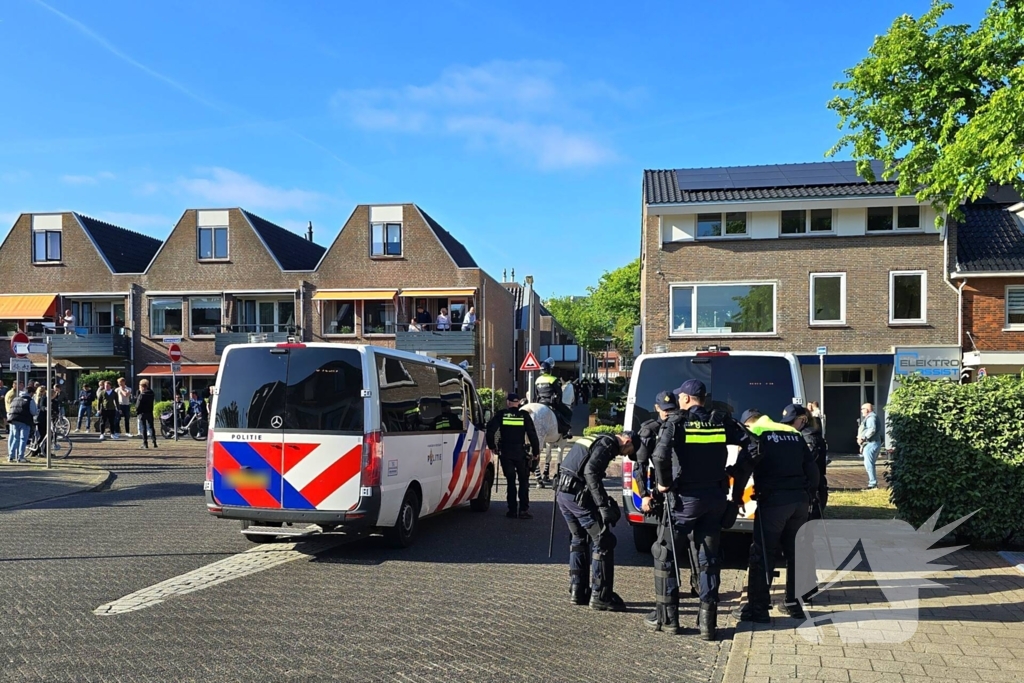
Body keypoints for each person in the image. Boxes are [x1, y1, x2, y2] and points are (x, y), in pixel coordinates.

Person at [646, 379, 752, 640]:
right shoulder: (721, 420)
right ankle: (708, 625)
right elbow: (754, 446)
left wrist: (663, 485)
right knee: (709, 561)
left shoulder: (677, 422)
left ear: (684, 399)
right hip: (715, 499)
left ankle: (669, 620)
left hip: (683, 501)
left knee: (665, 555)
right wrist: (736, 485)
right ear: (703, 398)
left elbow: (659, 457)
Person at [731, 405, 819, 622]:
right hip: (799, 501)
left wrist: (736, 497)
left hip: (774, 502)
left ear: (748, 423)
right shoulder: (792, 433)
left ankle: (757, 609)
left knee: (762, 553)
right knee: (795, 553)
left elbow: (744, 468)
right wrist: (808, 496)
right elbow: (813, 470)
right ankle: (794, 605)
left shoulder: (757, 434)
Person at [555, 431, 636, 611]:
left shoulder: (593, 438)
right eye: (628, 451)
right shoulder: (608, 445)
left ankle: (578, 590)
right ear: (627, 440)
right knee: (604, 541)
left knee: (579, 539)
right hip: (576, 497)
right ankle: (601, 596)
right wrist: (603, 505)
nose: (624, 455)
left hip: (563, 494)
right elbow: (590, 472)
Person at [485, 393, 541, 519]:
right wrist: (536, 452)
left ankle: (512, 510)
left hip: (506, 452)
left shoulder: (501, 414)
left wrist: (492, 446)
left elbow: (490, 430)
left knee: (510, 481)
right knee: (523, 481)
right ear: (518, 403)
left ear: (508, 402)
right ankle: (523, 510)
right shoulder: (524, 416)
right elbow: (532, 435)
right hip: (520, 453)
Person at [792, 404, 829, 519]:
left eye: (792, 421)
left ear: (803, 420)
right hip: (813, 487)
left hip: (812, 488)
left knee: (806, 526)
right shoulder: (808, 435)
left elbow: (808, 464)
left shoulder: (808, 437)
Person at [534, 360, 573, 438]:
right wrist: (558, 402)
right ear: (549, 370)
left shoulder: (537, 380)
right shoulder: (553, 379)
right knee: (568, 412)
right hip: (551, 402)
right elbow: (559, 393)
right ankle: (566, 432)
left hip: (540, 402)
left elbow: (536, 393)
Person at [6, 383, 37, 462]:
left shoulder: (16, 398)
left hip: (13, 420)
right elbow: (34, 412)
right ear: (31, 393)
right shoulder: (30, 400)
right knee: (23, 439)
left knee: (15, 438)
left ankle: (11, 456)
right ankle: (21, 457)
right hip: (24, 421)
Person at [857, 403, 881, 490]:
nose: (861, 411)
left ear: (867, 410)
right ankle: (872, 483)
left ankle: (873, 484)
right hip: (870, 444)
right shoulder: (870, 417)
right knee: (869, 464)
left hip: (872, 443)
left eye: (862, 409)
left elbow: (872, 429)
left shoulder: (871, 418)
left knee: (869, 464)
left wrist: (863, 438)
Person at [135, 379, 157, 449]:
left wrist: (137, 412)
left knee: (144, 428)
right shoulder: (151, 394)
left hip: (142, 413)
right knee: (151, 427)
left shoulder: (142, 395)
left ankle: (145, 443)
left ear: (142, 387)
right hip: (149, 412)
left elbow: (137, 405)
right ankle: (154, 441)